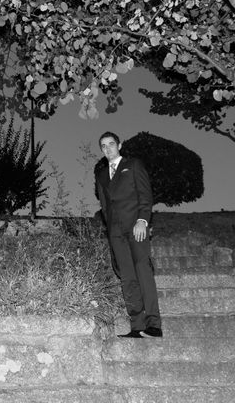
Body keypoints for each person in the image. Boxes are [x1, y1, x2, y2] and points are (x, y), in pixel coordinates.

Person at [94, 131, 162, 338]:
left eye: (111, 144)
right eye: (103, 146)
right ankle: (137, 325)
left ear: (119, 145)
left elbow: (145, 194)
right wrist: (110, 229)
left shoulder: (133, 165)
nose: (108, 149)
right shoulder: (101, 175)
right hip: (116, 232)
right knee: (127, 277)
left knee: (143, 271)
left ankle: (154, 324)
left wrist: (143, 220)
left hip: (136, 227)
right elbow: (105, 207)